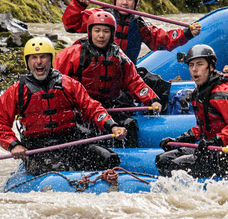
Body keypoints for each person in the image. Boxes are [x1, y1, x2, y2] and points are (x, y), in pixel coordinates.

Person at [0, 36, 127, 176]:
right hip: (39, 148)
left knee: (109, 158)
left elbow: (91, 107)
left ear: (51, 59)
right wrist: (14, 144)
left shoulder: (68, 84)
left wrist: (112, 126)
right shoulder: (17, 91)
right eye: (34, 58)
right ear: (28, 61)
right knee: (60, 168)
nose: (39, 62)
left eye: (43, 57)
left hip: (71, 142)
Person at [62, 0, 200, 104]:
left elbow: (161, 39)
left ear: (136, 3)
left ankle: (155, 116)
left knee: (157, 84)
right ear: (114, 0)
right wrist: (78, 5)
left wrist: (186, 33)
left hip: (125, 71)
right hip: (96, 73)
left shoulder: (139, 24)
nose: (125, 3)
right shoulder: (99, 17)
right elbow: (71, 24)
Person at [55, 10, 162, 147]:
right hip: (82, 109)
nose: (101, 35)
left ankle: (129, 158)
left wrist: (152, 99)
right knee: (84, 132)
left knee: (129, 125)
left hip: (109, 106)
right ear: (90, 32)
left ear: (112, 34)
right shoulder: (73, 54)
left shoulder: (119, 56)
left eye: (106, 31)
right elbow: (56, 81)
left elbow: (134, 81)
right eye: (97, 31)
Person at [155, 44, 228, 178]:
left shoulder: (224, 91)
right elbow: (204, 127)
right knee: (162, 160)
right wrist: (180, 140)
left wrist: (218, 140)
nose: (194, 69)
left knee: (176, 166)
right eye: (191, 65)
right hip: (211, 148)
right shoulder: (198, 92)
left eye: (200, 64)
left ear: (211, 67)